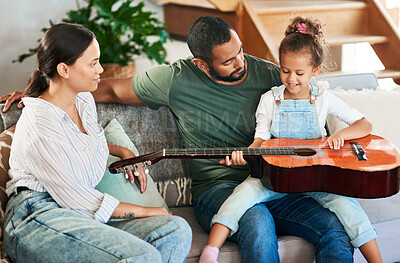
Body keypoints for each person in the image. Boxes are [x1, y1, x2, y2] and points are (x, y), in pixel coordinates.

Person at [2, 17, 355, 262]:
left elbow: (313, 110)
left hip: (271, 181)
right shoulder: (175, 80)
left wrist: (121, 148)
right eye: (229, 61)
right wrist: (41, 93)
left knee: (335, 229)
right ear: (202, 64)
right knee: (256, 221)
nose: (240, 62)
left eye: (240, 51)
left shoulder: (270, 75)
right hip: (217, 191)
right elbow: (110, 88)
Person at [199, 16, 383, 263]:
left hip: (317, 179)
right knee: (240, 196)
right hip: (275, 177)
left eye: (299, 72)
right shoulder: (269, 99)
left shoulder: (324, 99)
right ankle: (210, 251)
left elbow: (364, 124)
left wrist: (340, 134)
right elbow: (260, 140)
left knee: (350, 210)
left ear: (315, 70)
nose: (291, 79)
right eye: (285, 71)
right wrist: (246, 157)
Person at [2, 23, 191, 263]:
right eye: (92, 63)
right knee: (144, 255)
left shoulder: (83, 102)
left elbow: (80, 143)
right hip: (37, 217)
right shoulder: (39, 125)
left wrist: (123, 150)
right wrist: (146, 211)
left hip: (80, 218)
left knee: (176, 229)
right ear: (64, 70)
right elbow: (77, 199)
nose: (100, 69)